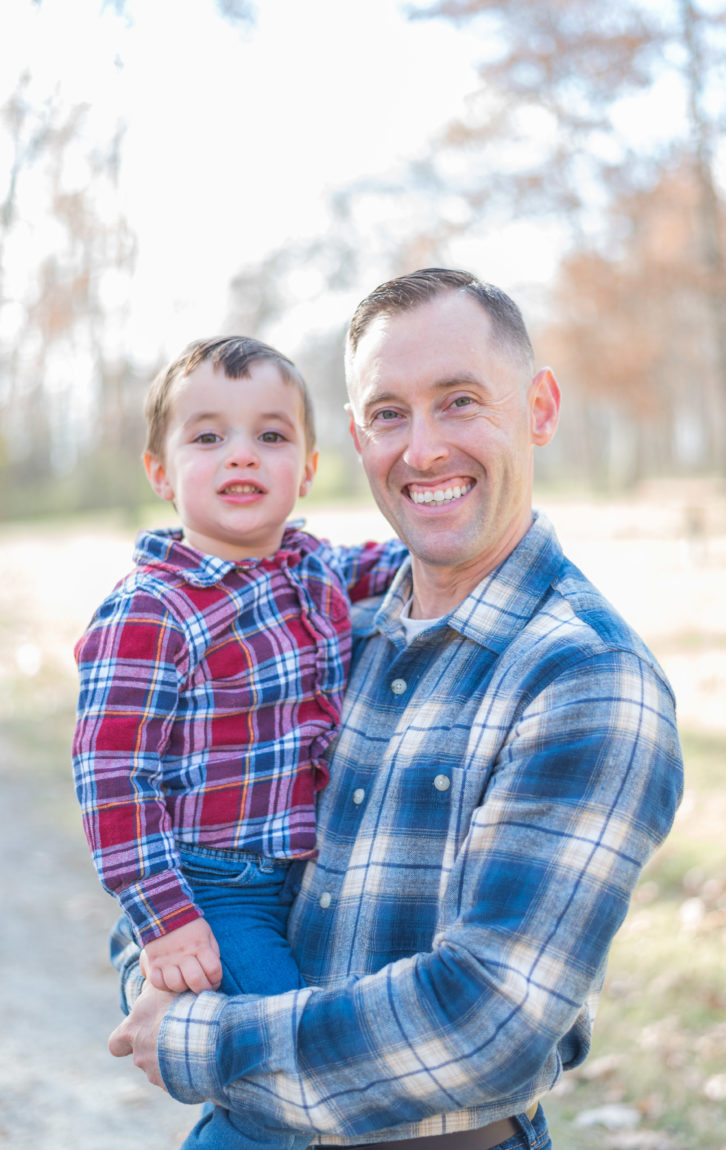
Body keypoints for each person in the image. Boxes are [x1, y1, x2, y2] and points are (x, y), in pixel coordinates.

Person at [108, 270, 684, 1150]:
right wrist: (152, 961)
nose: (421, 451)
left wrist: (191, 1037)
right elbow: (190, 845)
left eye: (458, 402)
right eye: (388, 414)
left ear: (538, 407)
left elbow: (484, 1025)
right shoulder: (325, 633)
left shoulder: (587, 679)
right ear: (352, 438)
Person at [72, 336, 403, 1147]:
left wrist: (477, 539)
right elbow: (113, 777)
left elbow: (401, 563)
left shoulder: (311, 566)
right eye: (208, 436)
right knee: (284, 1083)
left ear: (310, 467)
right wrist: (166, 919)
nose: (241, 456)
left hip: (302, 879)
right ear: (161, 472)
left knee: (284, 1080)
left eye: (271, 435)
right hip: (213, 888)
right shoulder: (154, 610)